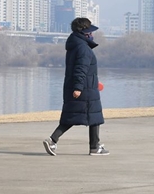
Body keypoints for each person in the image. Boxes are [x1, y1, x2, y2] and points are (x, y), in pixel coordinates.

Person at [43, 17, 109, 156]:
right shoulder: (83, 48)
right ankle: (54, 140)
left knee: (79, 116)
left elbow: (82, 69)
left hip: (86, 86)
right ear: (84, 33)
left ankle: (93, 146)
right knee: (91, 116)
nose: (92, 35)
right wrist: (78, 88)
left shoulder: (76, 45)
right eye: (90, 32)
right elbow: (80, 69)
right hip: (84, 89)